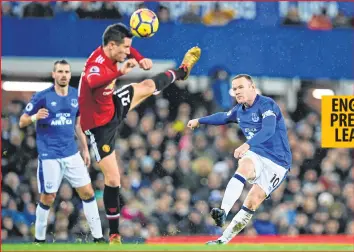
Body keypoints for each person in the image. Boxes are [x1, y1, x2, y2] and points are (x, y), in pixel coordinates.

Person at [78, 22, 201, 244]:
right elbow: (92, 80)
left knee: (146, 85)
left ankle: (182, 71)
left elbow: (127, 50)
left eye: (129, 48)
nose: (128, 52)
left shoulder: (114, 50)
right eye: (125, 48)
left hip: (112, 105)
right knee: (114, 179)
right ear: (112, 45)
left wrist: (140, 56)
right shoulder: (96, 66)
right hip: (98, 127)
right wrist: (119, 72)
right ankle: (114, 234)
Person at [187, 74, 292, 244]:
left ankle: (223, 240)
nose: (237, 91)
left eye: (241, 87)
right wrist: (199, 120)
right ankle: (223, 212)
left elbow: (268, 130)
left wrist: (246, 145)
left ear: (252, 87)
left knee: (252, 202)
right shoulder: (239, 110)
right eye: (234, 89)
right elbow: (223, 117)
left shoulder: (267, 104)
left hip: (278, 162)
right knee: (244, 166)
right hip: (256, 154)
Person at [19, 60, 104, 244]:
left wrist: (85, 149)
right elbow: (22, 121)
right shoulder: (42, 96)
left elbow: (78, 124)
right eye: (60, 71)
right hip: (49, 156)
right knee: (48, 197)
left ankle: (98, 238)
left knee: (88, 192)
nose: (64, 75)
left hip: (71, 154)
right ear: (54, 74)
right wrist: (34, 117)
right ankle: (39, 240)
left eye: (66, 71)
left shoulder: (76, 95)